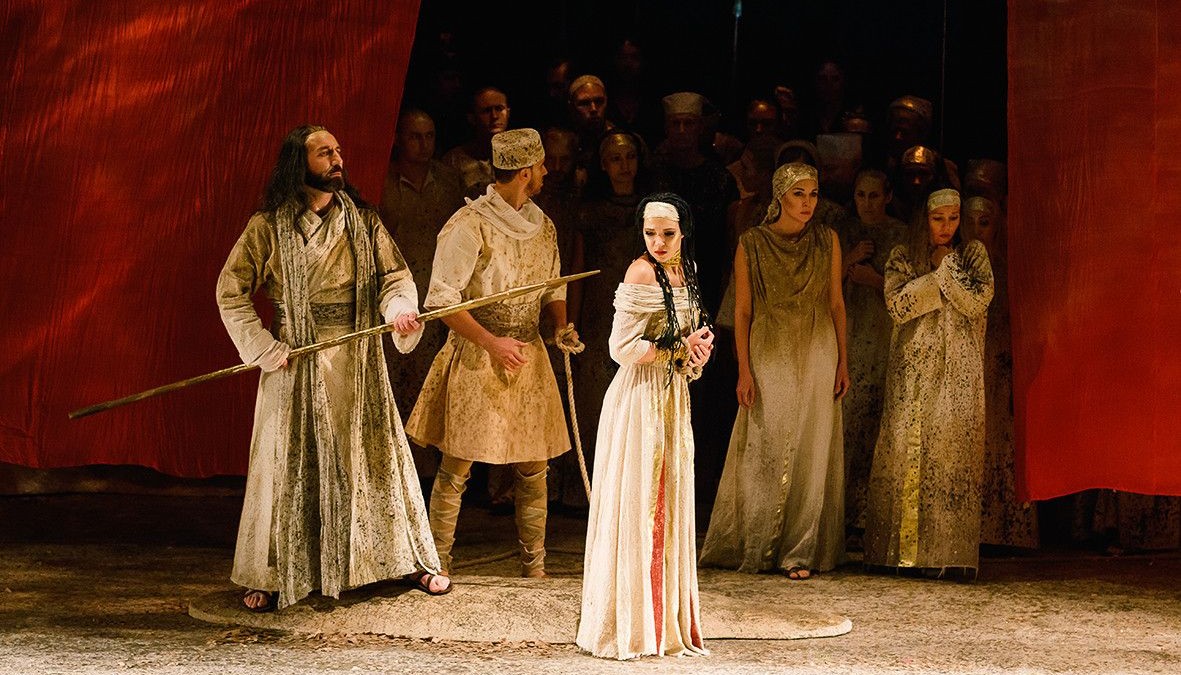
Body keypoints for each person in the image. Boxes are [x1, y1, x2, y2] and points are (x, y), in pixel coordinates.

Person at [217, 125, 450, 612]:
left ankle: (399, 558)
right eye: (324, 153)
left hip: (356, 357)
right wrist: (264, 347)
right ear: (298, 164)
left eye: (337, 151)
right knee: (285, 463)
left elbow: (395, 278)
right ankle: (272, 571)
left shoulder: (363, 222)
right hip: (294, 359)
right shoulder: (268, 227)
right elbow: (231, 292)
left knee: (369, 457)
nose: (336, 159)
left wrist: (399, 310)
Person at [406, 128, 581, 578]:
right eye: (540, 166)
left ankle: (534, 565)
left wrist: (560, 326)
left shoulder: (543, 226)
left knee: (534, 465)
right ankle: (437, 562)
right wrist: (491, 343)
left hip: (527, 352)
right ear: (525, 173)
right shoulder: (470, 225)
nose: (545, 172)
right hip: (479, 353)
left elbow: (552, 285)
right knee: (457, 466)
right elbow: (442, 300)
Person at [577, 193, 713, 660]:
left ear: (683, 233)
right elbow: (621, 348)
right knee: (640, 503)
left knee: (668, 502)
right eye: (650, 233)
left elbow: (685, 341)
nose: (658, 242)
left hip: (673, 396)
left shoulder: (686, 271)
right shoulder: (640, 273)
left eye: (668, 234)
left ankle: (663, 623)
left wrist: (696, 355)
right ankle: (633, 626)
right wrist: (679, 349)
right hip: (639, 399)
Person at [700, 162, 849, 580]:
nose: (807, 203)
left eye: (813, 194)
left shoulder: (827, 239)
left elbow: (836, 303)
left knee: (812, 446)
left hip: (818, 346)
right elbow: (743, 311)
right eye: (799, 194)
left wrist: (843, 360)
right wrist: (744, 370)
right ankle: (759, 542)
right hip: (770, 347)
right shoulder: (752, 243)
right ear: (781, 196)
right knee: (767, 444)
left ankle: (800, 550)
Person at [863, 188, 994, 578]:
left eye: (953, 218)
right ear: (925, 219)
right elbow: (898, 306)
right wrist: (937, 275)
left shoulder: (973, 255)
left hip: (960, 371)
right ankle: (900, 555)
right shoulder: (903, 256)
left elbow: (977, 301)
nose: (946, 227)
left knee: (951, 455)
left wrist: (947, 267)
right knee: (908, 450)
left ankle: (948, 555)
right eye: (939, 219)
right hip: (915, 370)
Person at [379, 109, 466, 483]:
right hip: (395, 297)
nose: (423, 144)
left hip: (437, 295)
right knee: (395, 381)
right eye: (415, 136)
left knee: (432, 383)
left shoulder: (447, 181)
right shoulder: (383, 182)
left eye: (429, 136)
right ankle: (394, 468)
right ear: (399, 139)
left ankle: (430, 471)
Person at [963, 196, 1039, 549]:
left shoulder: (1011, 268)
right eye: (970, 222)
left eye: (985, 222)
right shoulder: (955, 266)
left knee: (1003, 441)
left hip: (1003, 364)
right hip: (968, 362)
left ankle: (1007, 530)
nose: (977, 231)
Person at [839, 169, 909, 542]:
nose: (866, 203)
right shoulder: (844, 231)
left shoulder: (901, 235)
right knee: (847, 428)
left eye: (874, 196)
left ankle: (874, 519)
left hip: (884, 340)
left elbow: (911, 291)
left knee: (879, 425)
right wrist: (848, 260)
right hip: (849, 339)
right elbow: (820, 284)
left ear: (888, 196)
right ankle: (843, 515)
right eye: (860, 195)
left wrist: (876, 281)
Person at [441, 86, 511, 198]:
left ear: (507, 113)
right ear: (472, 118)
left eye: (499, 109)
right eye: (486, 111)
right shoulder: (454, 161)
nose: (494, 116)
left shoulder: (522, 155)